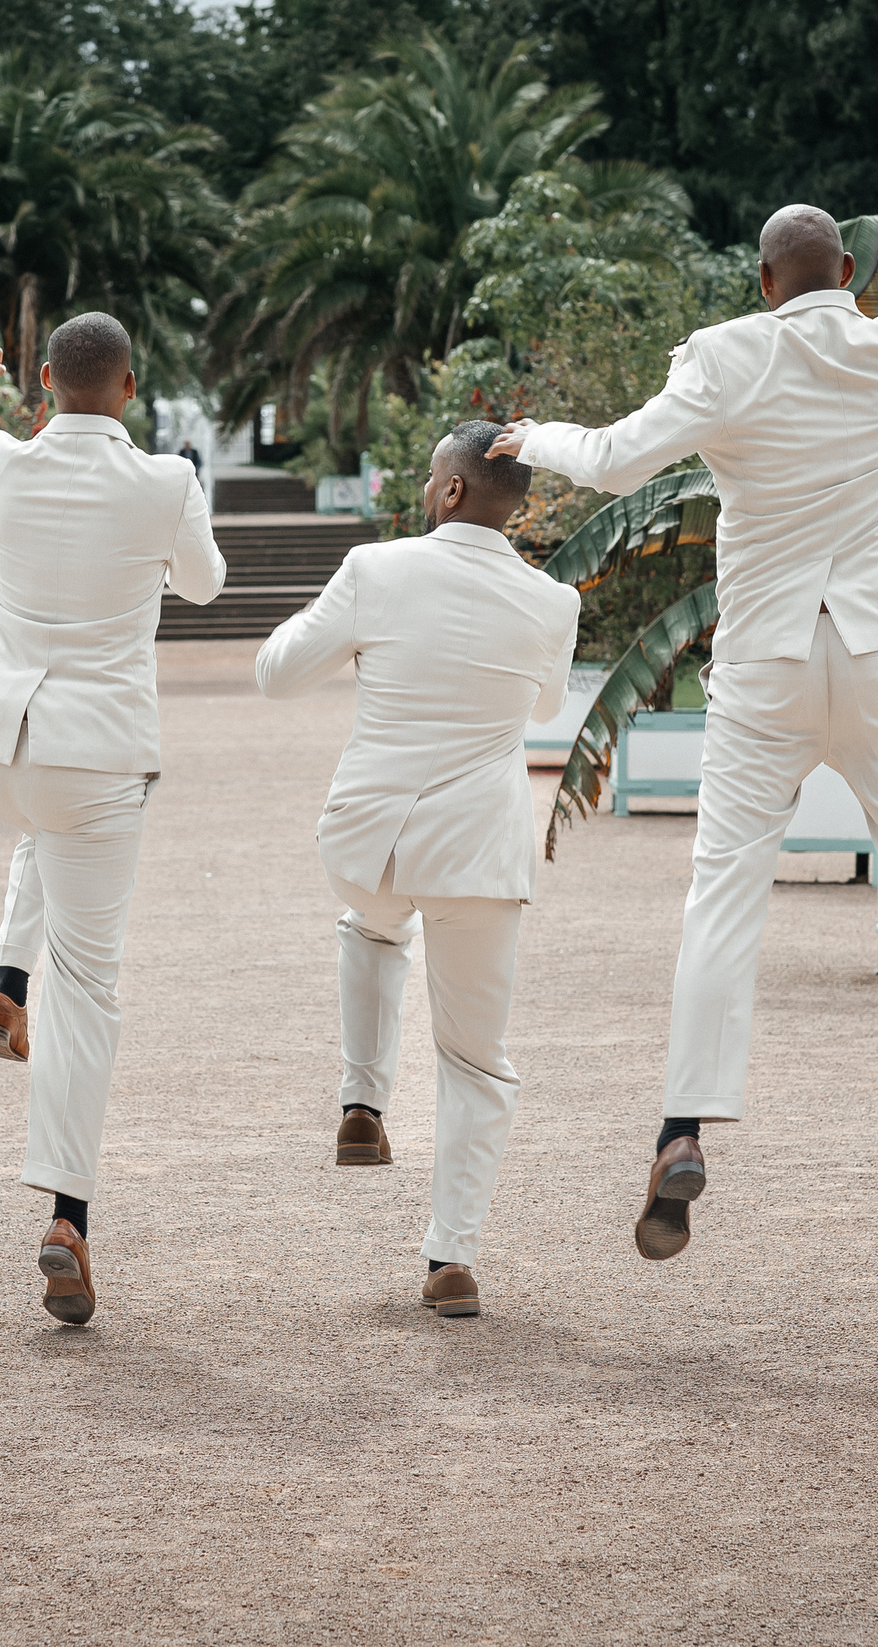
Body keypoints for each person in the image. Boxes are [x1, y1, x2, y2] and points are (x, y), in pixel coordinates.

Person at [492, 208, 878, 1259]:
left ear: (763, 278)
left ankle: (683, 1128)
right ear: (847, 269)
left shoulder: (727, 357)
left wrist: (530, 438)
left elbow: (609, 462)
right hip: (877, 661)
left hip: (766, 670)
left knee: (722, 894)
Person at [0, 315, 225, 1325]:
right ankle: (67, 1216)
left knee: (47, 821)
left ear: (42, 384)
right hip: (98, 757)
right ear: (129, 387)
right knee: (87, 987)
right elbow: (207, 585)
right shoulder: (166, 481)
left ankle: (4, 980)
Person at [254, 422, 582, 1317]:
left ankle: (363, 1099)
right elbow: (546, 705)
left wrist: (353, 635)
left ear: (447, 492)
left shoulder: (375, 570)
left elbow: (275, 674)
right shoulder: (553, 601)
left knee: (372, 921)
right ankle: (451, 1259)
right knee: (476, 1062)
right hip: (477, 853)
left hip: (367, 845)